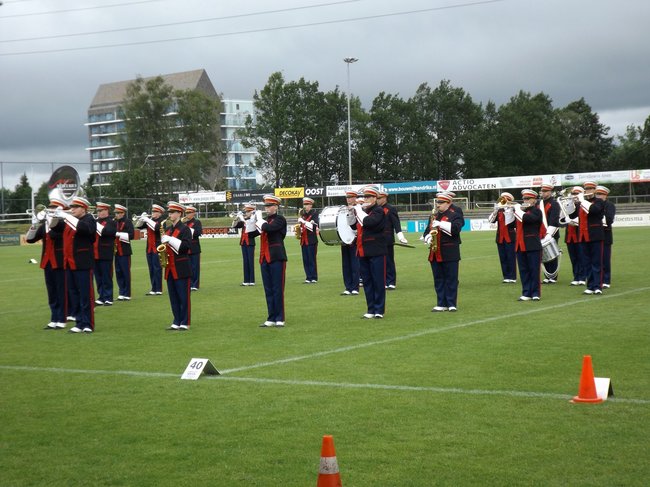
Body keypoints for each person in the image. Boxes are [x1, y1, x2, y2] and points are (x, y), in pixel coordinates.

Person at [54, 196, 97, 333]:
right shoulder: (69, 221)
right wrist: (53, 216)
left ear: (83, 208)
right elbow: (55, 228)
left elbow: (86, 230)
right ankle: (79, 322)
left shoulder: (89, 219)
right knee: (73, 294)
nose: (72, 210)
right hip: (69, 263)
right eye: (71, 207)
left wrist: (65, 216)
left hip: (82, 263)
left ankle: (88, 324)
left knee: (85, 295)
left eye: (75, 207)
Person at [25, 197, 68, 329]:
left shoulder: (63, 223)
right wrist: (34, 225)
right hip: (47, 262)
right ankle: (54, 318)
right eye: (50, 208)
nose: (50, 210)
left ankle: (62, 319)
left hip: (59, 262)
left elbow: (56, 235)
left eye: (54, 208)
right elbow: (30, 240)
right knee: (52, 292)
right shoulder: (44, 226)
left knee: (61, 291)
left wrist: (51, 220)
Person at [353, 185, 387, 319]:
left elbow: (369, 222)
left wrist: (358, 210)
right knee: (367, 281)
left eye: (368, 197)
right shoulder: (363, 211)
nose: (365, 199)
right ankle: (370, 308)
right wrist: (351, 214)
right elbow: (353, 226)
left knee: (378, 281)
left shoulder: (378, 211)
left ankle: (379, 309)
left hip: (376, 250)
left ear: (375, 198)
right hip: (363, 250)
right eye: (365, 197)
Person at [424, 192, 463, 311]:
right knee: (438, 278)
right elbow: (426, 231)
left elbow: (456, 229)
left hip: (449, 251)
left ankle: (451, 303)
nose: (438, 205)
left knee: (451, 278)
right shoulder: (433, 216)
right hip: (435, 252)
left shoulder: (454, 215)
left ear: (448, 203)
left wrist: (441, 224)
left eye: (441, 203)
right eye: (437, 202)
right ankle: (441, 303)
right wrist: (427, 237)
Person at [255, 194, 288, 327]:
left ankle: (280, 317)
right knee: (268, 289)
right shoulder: (264, 220)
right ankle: (271, 317)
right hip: (264, 258)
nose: (267, 208)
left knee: (277, 288)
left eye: (269, 206)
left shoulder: (280, 219)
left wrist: (258, 219)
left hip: (276, 257)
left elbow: (269, 228)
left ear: (276, 206)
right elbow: (253, 234)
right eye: (266, 206)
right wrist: (249, 222)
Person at [570, 181, 605, 295]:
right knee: (586, 262)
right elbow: (572, 216)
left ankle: (598, 286)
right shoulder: (580, 203)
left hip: (595, 235)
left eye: (591, 188)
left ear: (595, 190)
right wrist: (571, 204)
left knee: (596, 262)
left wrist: (582, 201)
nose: (588, 190)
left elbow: (594, 210)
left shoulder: (599, 201)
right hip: (583, 236)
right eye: (587, 188)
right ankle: (590, 286)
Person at [161, 201, 193, 331]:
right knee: (173, 296)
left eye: (172, 212)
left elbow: (186, 247)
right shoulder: (168, 229)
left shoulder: (185, 229)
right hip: (169, 267)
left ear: (179, 213)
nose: (170, 214)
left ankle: (185, 322)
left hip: (181, 267)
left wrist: (170, 240)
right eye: (169, 212)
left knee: (183, 296)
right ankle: (176, 320)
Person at [514, 189, 543, 301]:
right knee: (524, 271)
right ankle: (526, 292)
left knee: (534, 270)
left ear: (534, 200)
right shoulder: (519, 212)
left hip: (532, 245)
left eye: (528, 198)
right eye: (524, 198)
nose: (525, 200)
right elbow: (510, 225)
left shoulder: (536, 211)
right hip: (520, 245)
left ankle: (535, 293)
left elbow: (528, 219)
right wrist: (508, 212)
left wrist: (517, 209)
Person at [377, 189, 408, 290]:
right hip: (378, 239)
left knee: (389, 261)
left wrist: (401, 236)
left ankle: (391, 282)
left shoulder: (390, 209)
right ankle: (384, 281)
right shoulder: (376, 209)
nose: (377, 200)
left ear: (385, 198)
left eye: (379, 198)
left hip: (387, 238)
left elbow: (396, 223)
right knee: (380, 261)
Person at [560, 186, 589, 286]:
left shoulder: (584, 204)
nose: (574, 195)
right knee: (574, 258)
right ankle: (576, 276)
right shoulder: (569, 204)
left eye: (576, 193)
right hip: (570, 235)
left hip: (580, 234)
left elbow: (586, 218)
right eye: (573, 193)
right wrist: (565, 207)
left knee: (582, 256)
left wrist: (574, 220)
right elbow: (561, 220)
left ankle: (583, 276)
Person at [487, 191, 517, 283]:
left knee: (511, 257)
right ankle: (506, 276)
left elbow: (510, 221)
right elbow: (491, 220)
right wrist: (495, 210)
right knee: (503, 258)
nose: (502, 201)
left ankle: (512, 277)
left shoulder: (513, 210)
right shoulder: (499, 210)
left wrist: (508, 209)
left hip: (510, 237)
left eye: (504, 200)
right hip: (500, 237)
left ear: (509, 200)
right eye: (501, 199)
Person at [135, 204, 165, 296]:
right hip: (149, 248)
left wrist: (147, 219)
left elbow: (156, 228)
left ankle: (159, 289)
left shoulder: (162, 221)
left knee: (157, 268)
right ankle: (153, 288)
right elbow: (138, 227)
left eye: (155, 212)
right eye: (152, 212)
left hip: (157, 248)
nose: (153, 213)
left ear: (160, 213)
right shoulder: (150, 221)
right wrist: (141, 218)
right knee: (151, 269)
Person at [93, 202, 117, 306]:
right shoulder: (95, 221)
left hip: (105, 252)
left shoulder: (111, 222)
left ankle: (108, 297)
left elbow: (108, 232)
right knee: (98, 277)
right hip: (94, 253)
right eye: (98, 211)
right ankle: (101, 296)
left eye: (101, 210)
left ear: (106, 210)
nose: (99, 213)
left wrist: (95, 224)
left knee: (106, 276)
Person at [538, 184, 561, 284]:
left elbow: (554, 220)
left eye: (545, 191)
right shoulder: (540, 203)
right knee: (544, 256)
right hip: (541, 232)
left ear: (550, 192)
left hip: (551, 232)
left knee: (552, 255)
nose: (543, 193)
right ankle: (547, 276)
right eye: (542, 191)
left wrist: (549, 233)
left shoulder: (554, 203)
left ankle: (553, 276)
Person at [232, 202, 259, 286]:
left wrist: (243, 218)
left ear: (251, 212)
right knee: (245, 261)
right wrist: (235, 219)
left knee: (250, 261)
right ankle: (246, 280)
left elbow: (253, 228)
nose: (246, 213)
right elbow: (234, 226)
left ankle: (252, 280)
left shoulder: (253, 220)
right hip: (243, 242)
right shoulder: (244, 220)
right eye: (246, 212)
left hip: (250, 242)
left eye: (248, 212)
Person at [340, 190, 360, 296]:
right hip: (345, 239)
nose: (349, 199)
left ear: (355, 198)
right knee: (346, 264)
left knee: (354, 263)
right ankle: (348, 287)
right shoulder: (343, 209)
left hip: (355, 239)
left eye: (351, 197)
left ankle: (355, 287)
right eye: (347, 197)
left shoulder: (358, 208)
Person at [113, 204, 134, 301]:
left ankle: (127, 293)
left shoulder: (127, 222)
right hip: (116, 251)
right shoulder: (114, 222)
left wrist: (118, 234)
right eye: (116, 213)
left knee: (125, 272)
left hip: (124, 251)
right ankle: (121, 291)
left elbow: (131, 235)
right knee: (118, 272)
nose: (116, 215)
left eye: (118, 213)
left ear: (123, 213)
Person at [596, 186, 615, 288]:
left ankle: (606, 280)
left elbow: (609, 220)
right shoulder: (593, 204)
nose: (598, 196)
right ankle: (597, 279)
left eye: (600, 194)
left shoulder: (609, 205)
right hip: (595, 235)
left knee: (605, 259)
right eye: (597, 194)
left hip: (605, 236)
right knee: (596, 259)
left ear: (605, 195)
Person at [297, 196, 319, 283]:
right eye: (304, 204)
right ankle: (308, 277)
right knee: (305, 259)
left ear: (311, 205)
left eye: (307, 204)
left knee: (311, 259)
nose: (305, 206)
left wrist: (303, 222)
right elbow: (302, 226)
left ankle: (314, 277)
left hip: (311, 239)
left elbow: (313, 227)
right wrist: (300, 229)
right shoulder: (303, 215)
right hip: (303, 240)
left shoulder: (314, 214)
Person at [184, 205, 202, 291]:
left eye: (188, 213)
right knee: (187, 267)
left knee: (195, 267)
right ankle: (189, 284)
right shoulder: (184, 223)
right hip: (186, 248)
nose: (187, 214)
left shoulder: (197, 222)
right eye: (186, 213)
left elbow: (198, 233)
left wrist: (187, 229)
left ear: (193, 213)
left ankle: (195, 284)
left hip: (194, 248)